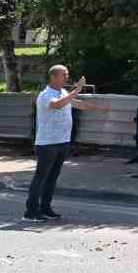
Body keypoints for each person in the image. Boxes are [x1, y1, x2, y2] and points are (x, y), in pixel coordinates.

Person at [24, 65, 87, 222]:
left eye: (67, 75)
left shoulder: (63, 93)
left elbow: (76, 104)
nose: (67, 77)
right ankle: (31, 212)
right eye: (64, 75)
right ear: (53, 77)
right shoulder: (45, 95)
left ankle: (46, 208)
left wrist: (101, 109)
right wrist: (77, 90)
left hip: (62, 141)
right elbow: (57, 104)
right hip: (47, 143)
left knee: (52, 178)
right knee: (41, 177)